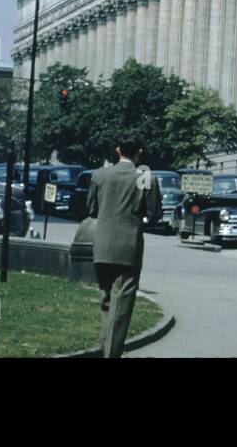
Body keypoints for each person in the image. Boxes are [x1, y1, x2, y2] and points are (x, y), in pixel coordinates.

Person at [87, 138, 162, 358]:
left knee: (107, 300)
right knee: (122, 305)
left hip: (102, 244)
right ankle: (111, 353)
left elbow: (91, 208)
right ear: (139, 152)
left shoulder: (100, 175)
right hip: (129, 246)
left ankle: (106, 347)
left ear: (117, 150)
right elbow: (154, 213)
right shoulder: (144, 177)